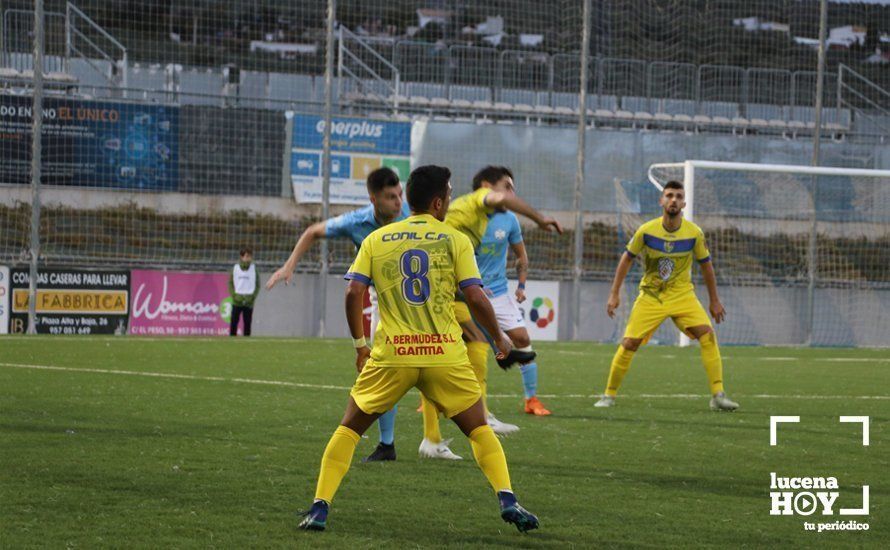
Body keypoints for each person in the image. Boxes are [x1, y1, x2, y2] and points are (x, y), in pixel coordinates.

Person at [298, 164, 539, 533]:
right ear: (439, 202)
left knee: (349, 428)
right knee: (479, 430)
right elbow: (474, 295)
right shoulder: (455, 239)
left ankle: (319, 507)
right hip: (444, 354)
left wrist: (360, 346)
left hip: (393, 355)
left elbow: (353, 292)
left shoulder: (378, 239)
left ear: (408, 199)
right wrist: (500, 339)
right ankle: (507, 498)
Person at [266, 167, 410, 462]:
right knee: (382, 369)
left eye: (399, 195)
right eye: (390, 197)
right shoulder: (357, 221)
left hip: (417, 300)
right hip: (385, 303)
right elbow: (312, 232)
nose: (397, 202)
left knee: (422, 366)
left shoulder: (411, 216)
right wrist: (290, 265)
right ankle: (387, 444)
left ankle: (432, 437)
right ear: (373, 198)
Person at [418, 165, 562, 450]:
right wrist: (541, 219)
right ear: (486, 186)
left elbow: (520, 254)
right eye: (506, 187)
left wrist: (521, 284)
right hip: (457, 293)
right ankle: (451, 425)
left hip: (477, 292)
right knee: (446, 355)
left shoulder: (494, 221)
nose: (510, 194)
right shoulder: (472, 205)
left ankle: (451, 427)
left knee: (491, 346)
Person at [594, 180, 739, 411]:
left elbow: (707, 266)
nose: (673, 200)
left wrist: (714, 300)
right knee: (629, 343)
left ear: (684, 203)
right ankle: (608, 395)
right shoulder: (646, 230)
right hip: (652, 296)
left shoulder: (694, 233)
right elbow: (626, 259)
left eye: (678, 196)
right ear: (661, 201)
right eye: (669, 195)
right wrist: (614, 294)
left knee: (707, 334)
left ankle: (718, 395)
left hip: (683, 296)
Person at [229, 247, 260, 336]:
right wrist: (234, 296)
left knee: (247, 323)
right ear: (241, 257)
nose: (248, 258)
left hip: (249, 301)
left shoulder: (254, 269)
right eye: (246, 256)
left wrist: (253, 296)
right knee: (234, 322)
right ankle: (231, 341)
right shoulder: (235, 268)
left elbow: (257, 284)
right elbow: (230, 283)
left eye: (250, 256)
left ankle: (247, 342)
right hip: (237, 301)